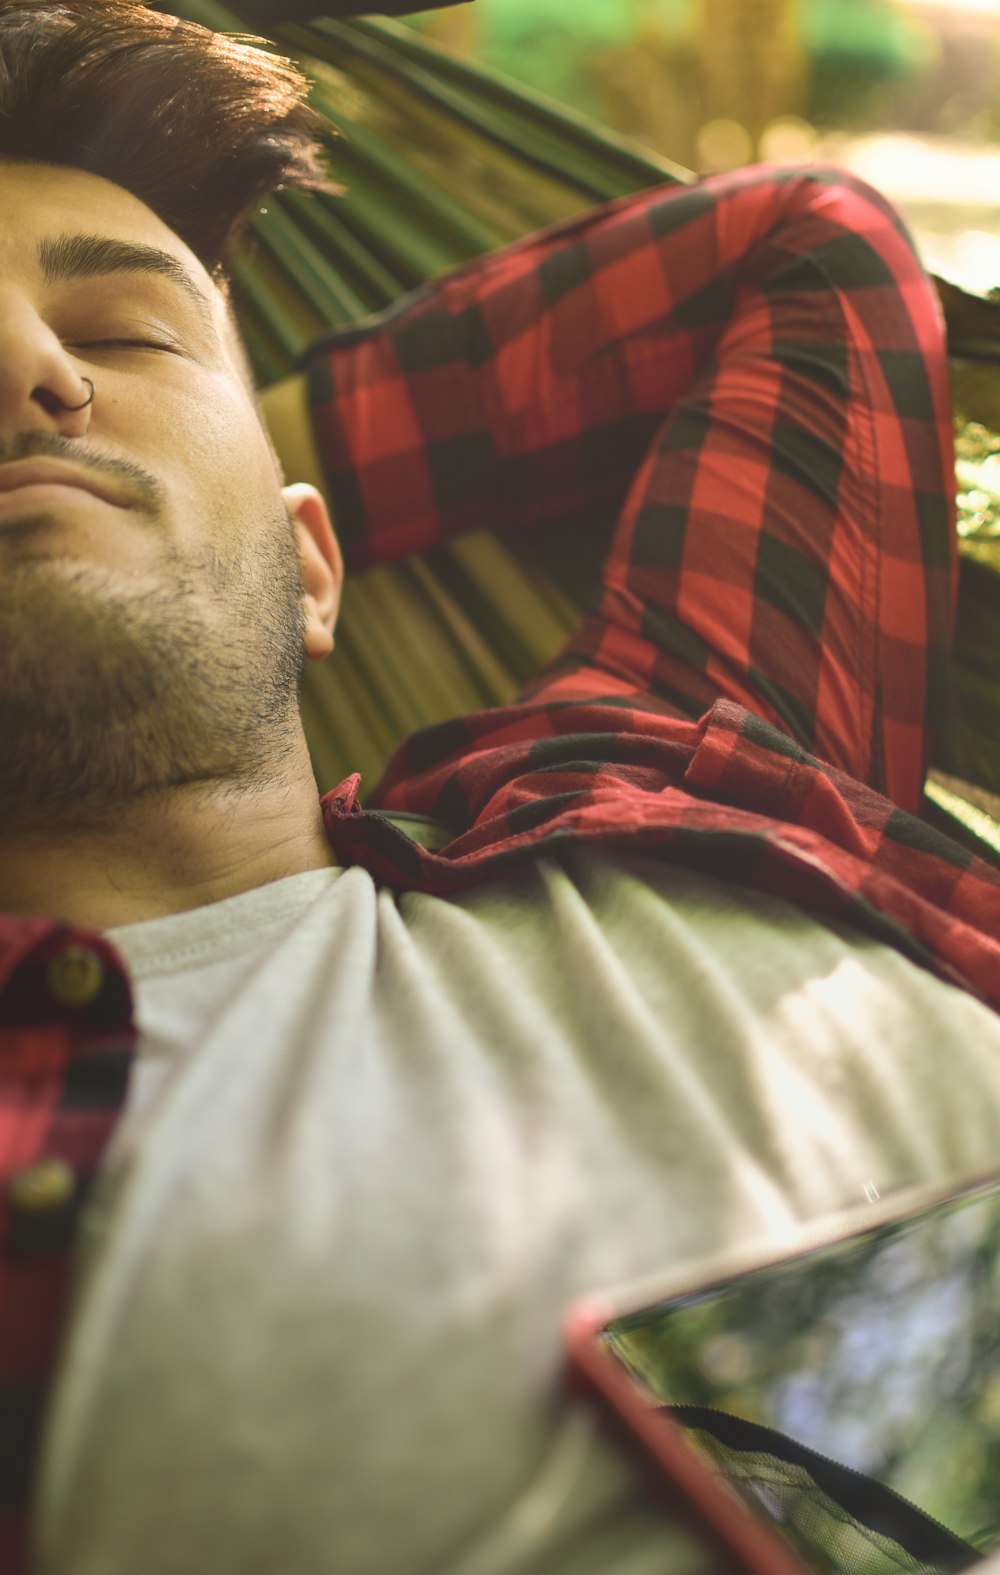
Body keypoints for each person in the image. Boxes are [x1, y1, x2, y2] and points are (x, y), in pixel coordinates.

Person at [1, 2, 999, 1573]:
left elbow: (801, 252)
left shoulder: (670, 758)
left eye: (122, 334)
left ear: (313, 562)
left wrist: (211, 495)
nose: (26, 362)